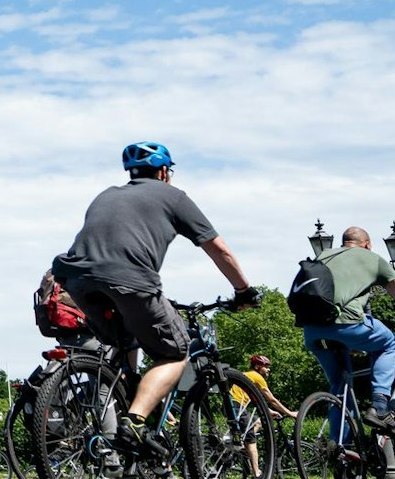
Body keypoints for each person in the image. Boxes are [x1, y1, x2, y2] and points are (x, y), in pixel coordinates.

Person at [51, 142, 259, 461]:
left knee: (125, 344)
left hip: (76, 282)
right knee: (176, 351)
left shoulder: (105, 195)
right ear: (164, 172)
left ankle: (120, 416)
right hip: (130, 280)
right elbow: (220, 250)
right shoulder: (173, 197)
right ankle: (134, 423)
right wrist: (244, 290)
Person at [300, 226, 395, 431]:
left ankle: (340, 448)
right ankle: (380, 407)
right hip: (347, 322)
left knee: (339, 387)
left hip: (311, 330)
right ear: (367, 245)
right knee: (388, 343)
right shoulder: (373, 259)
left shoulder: (324, 255)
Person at [230, 354, 295, 479]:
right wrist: (290, 413)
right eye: (266, 366)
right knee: (251, 439)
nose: (268, 369)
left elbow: (256, 400)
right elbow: (272, 400)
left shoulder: (247, 376)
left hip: (233, 406)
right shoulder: (257, 376)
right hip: (237, 407)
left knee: (258, 422)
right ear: (257, 366)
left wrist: (268, 411)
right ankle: (257, 473)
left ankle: (241, 441)